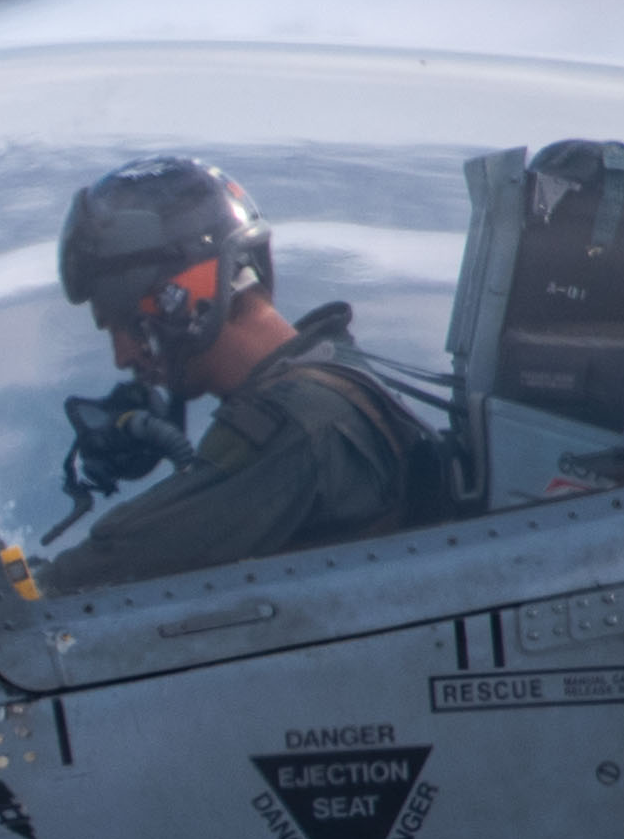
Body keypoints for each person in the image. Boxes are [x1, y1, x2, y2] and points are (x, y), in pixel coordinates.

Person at [40, 157, 446, 589]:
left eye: (125, 323)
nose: (122, 355)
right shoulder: (329, 370)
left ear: (181, 298)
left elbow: (115, 567)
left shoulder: (295, 426)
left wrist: (27, 587)